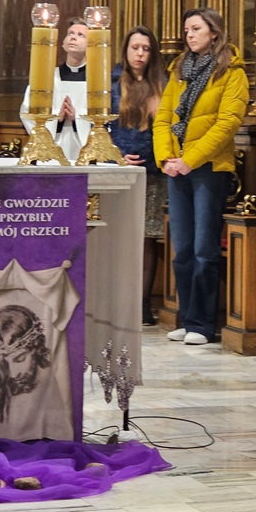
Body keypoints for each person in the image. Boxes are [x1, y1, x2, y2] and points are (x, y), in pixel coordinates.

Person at [154, 8, 248, 346]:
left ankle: (202, 324)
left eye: (196, 28)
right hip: (177, 167)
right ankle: (186, 317)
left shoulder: (232, 71)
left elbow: (227, 124)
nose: (189, 35)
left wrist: (190, 160)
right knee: (182, 249)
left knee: (204, 249)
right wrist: (166, 158)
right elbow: (163, 118)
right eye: (186, 30)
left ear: (214, 32)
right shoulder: (179, 69)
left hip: (209, 169)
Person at [107, 26, 168, 326]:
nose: (140, 54)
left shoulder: (162, 84)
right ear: (126, 50)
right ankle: (117, 301)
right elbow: (100, 127)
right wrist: (116, 155)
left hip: (152, 172)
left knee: (145, 239)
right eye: (135, 48)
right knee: (119, 238)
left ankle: (142, 305)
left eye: (146, 49)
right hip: (119, 170)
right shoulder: (113, 83)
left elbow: (170, 128)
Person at [19, 17, 92, 163]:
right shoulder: (47, 79)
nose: (73, 37)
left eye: (80, 35)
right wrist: (56, 120)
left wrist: (76, 118)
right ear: (63, 43)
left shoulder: (96, 81)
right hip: (51, 152)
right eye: (70, 33)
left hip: (84, 153)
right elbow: (27, 112)